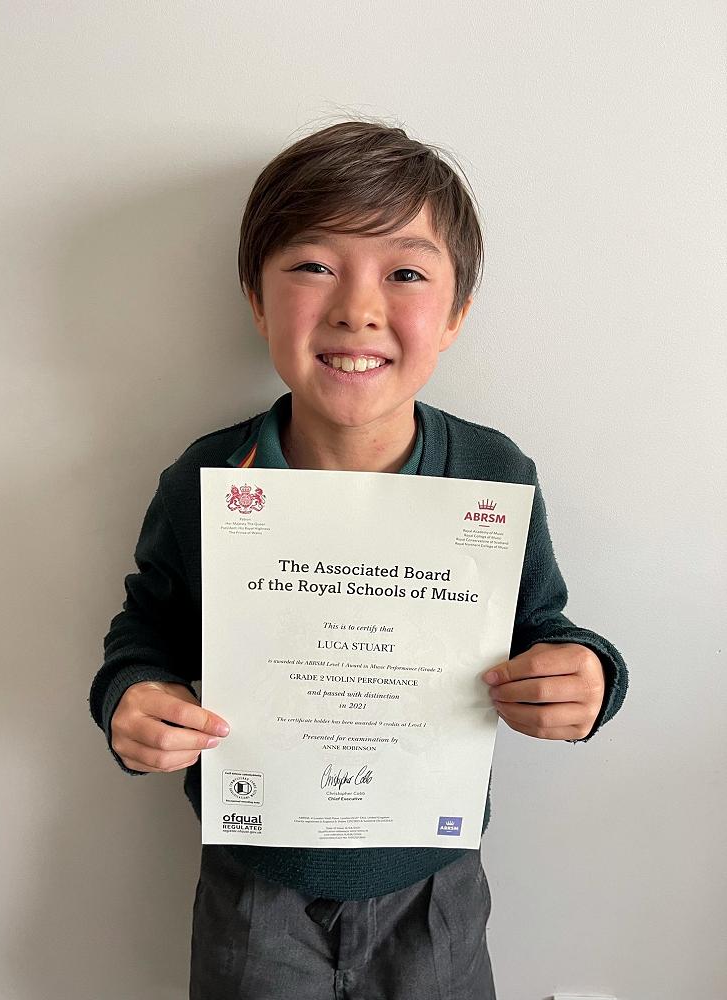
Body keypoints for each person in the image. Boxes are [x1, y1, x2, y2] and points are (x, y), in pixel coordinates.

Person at [89, 119, 628, 999]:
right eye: (313, 266)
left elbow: (543, 628)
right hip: (253, 889)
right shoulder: (208, 479)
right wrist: (132, 696)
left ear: (455, 315)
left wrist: (587, 676)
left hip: (435, 889)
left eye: (405, 274)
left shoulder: (492, 474)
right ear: (257, 301)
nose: (357, 308)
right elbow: (144, 628)